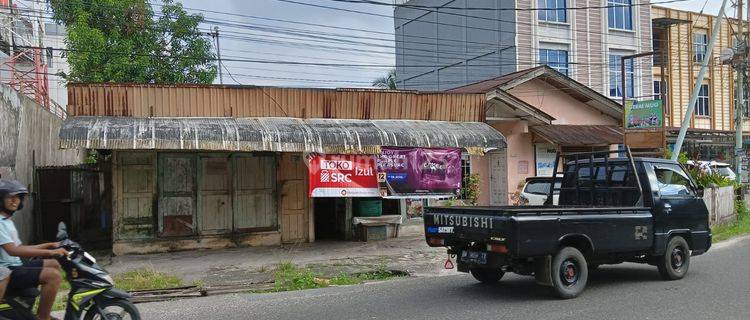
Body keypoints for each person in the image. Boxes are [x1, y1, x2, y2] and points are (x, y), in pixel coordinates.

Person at [0, 179, 67, 320]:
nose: (15, 201)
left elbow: (19, 247)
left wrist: (48, 245)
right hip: (7, 270)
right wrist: (50, 252)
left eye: (18, 197)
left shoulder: (7, 221)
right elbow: (13, 250)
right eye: (10, 197)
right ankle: (43, 317)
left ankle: (36, 309)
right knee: (53, 276)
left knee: (54, 264)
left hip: (15, 265)